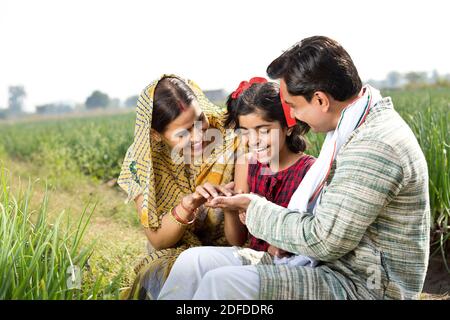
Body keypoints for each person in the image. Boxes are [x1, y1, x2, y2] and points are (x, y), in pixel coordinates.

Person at [158, 37, 430, 300]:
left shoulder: (375, 145)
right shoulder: (355, 125)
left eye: (292, 106)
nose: (293, 117)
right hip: (322, 265)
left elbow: (325, 240)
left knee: (225, 285)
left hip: (362, 286)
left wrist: (253, 207)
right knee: (194, 262)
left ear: (321, 100)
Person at [117, 74, 238, 299]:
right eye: (184, 133)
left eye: (200, 120)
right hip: (175, 250)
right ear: (155, 135)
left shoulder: (233, 135)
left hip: (234, 245)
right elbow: (159, 239)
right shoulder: (142, 160)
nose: (200, 135)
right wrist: (187, 205)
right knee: (163, 276)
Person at [222, 77, 315, 261]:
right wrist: (229, 207)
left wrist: (283, 241)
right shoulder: (246, 164)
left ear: (288, 127)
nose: (253, 140)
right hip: (253, 257)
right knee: (192, 259)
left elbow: (309, 234)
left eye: (263, 131)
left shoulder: (309, 171)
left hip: (290, 266)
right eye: (245, 132)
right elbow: (237, 240)